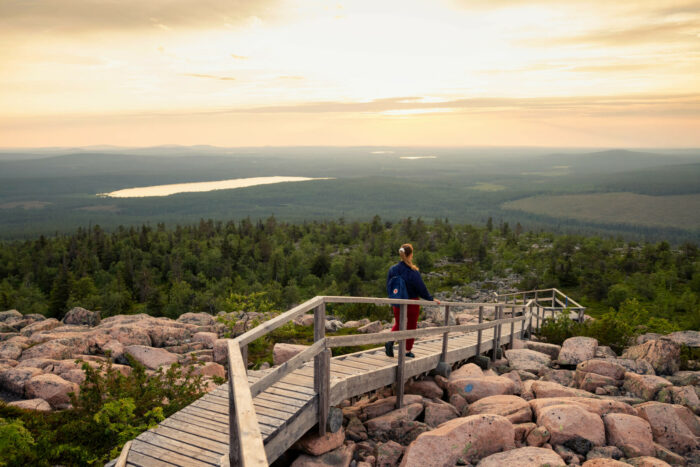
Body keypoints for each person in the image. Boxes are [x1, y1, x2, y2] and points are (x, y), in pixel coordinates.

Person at [385, 243, 439, 358]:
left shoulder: (392, 269)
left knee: (399, 324)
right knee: (411, 326)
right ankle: (407, 350)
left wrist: (392, 298)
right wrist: (431, 298)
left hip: (397, 302)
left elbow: (389, 285)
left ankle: (390, 340)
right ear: (410, 255)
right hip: (411, 302)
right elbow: (421, 289)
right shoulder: (413, 271)